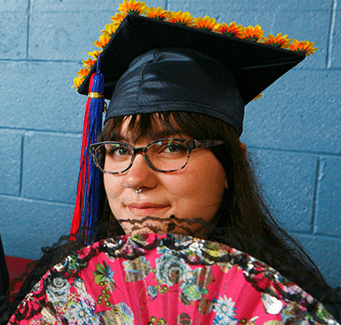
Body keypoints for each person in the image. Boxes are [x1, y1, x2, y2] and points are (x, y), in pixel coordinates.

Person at [2, 1, 341, 324]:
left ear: (233, 164)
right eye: (119, 150)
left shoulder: (282, 300)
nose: (135, 178)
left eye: (173, 147)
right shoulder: (71, 290)